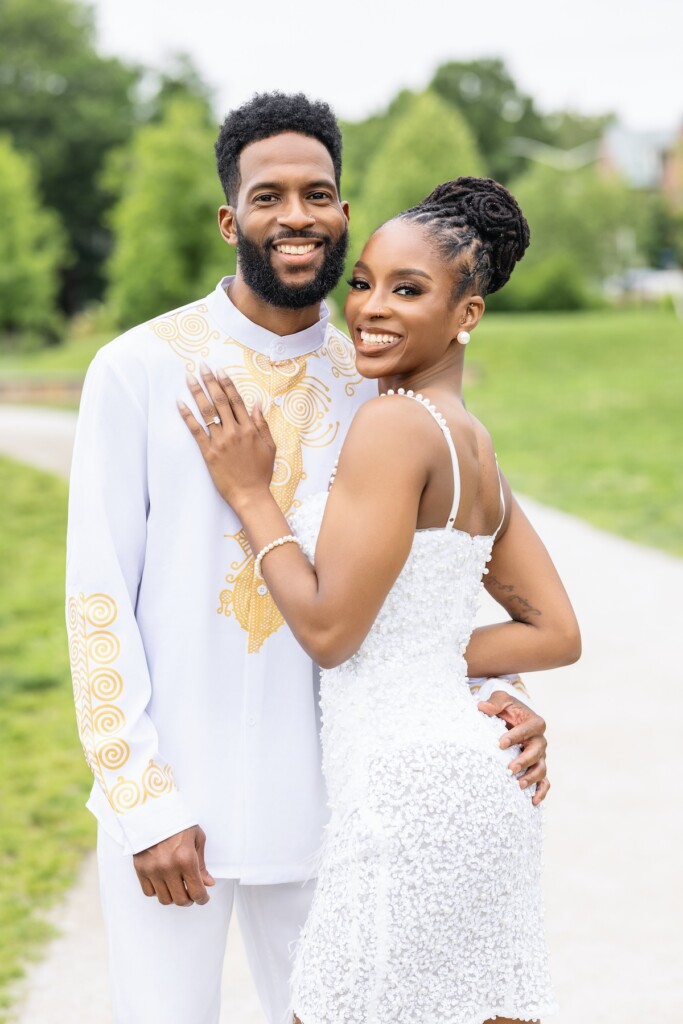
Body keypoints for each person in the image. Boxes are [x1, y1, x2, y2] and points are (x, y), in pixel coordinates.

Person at [66, 93, 550, 1024]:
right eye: (268, 195)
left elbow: (443, 572)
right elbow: (96, 602)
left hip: (338, 813)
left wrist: (506, 708)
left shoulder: (374, 375)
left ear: (341, 211)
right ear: (229, 218)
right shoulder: (136, 370)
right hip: (177, 808)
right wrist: (141, 797)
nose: (295, 215)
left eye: (318, 194)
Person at [180, 175, 580, 1024]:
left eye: (408, 289)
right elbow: (554, 632)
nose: (369, 307)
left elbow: (328, 631)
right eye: (362, 282)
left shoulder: (394, 426)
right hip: (477, 786)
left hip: (403, 801)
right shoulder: (471, 443)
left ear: (466, 315)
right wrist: (436, 666)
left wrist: (252, 496)